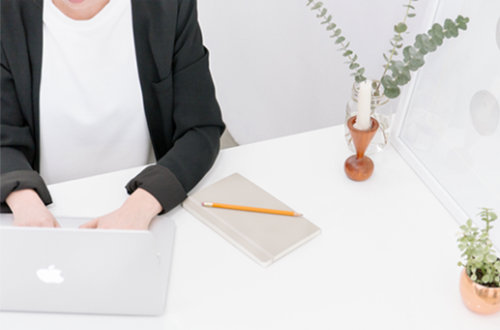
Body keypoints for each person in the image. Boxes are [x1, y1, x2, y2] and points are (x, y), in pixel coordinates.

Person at [0, 0, 225, 230]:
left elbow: (200, 127)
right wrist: (23, 198)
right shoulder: (7, 13)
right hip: (43, 210)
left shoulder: (168, 7)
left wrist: (141, 206)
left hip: (141, 205)